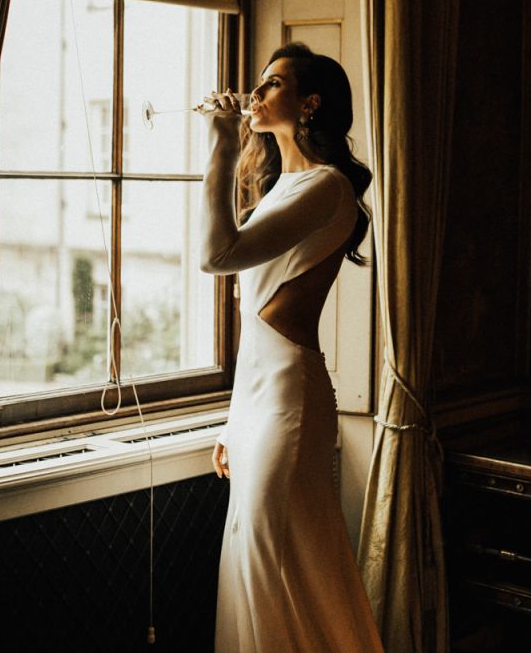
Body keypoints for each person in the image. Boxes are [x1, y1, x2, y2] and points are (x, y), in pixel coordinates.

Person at [197, 42, 384, 652]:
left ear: (309, 104)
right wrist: (231, 419)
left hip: (290, 403)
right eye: (260, 81)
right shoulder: (282, 187)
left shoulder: (328, 189)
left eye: (272, 83)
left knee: (272, 557)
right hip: (257, 400)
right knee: (258, 561)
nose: (255, 93)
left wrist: (223, 146)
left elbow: (215, 257)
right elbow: (252, 318)